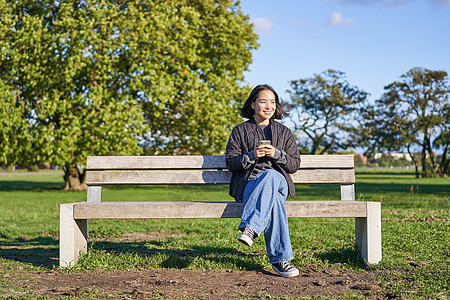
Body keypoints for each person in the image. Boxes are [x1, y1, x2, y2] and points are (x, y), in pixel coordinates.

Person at [225, 84, 301, 278]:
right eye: (263, 101)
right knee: (273, 200)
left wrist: (278, 154)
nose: (269, 106)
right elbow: (231, 164)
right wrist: (251, 155)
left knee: (272, 175)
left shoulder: (284, 132)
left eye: (273, 102)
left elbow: (293, 165)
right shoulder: (240, 131)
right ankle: (280, 260)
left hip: (280, 183)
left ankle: (251, 227)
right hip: (250, 185)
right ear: (253, 104)